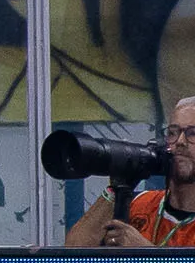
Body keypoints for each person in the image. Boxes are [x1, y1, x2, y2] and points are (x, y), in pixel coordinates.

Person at [64, 95, 195, 245]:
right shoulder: (140, 203)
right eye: (173, 132)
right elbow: (75, 249)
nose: (180, 142)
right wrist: (115, 189)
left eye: (192, 133)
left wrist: (144, 254)